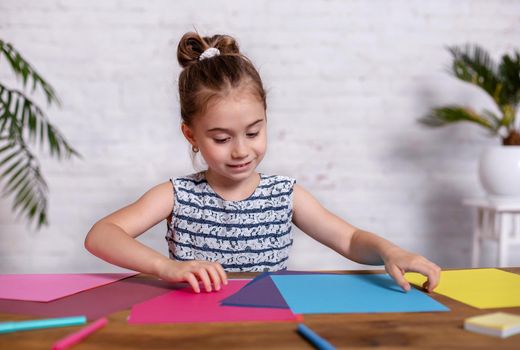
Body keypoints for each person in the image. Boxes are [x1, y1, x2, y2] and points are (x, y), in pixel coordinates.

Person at [85, 32, 441, 294]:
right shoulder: (177, 195)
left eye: (253, 133)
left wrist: (389, 251)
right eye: (222, 139)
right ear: (191, 135)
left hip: (268, 323)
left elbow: (349, 239)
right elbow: (101, 236)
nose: (241, 151)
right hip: (194, 324)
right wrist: (166, 267)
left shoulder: (285, 194)